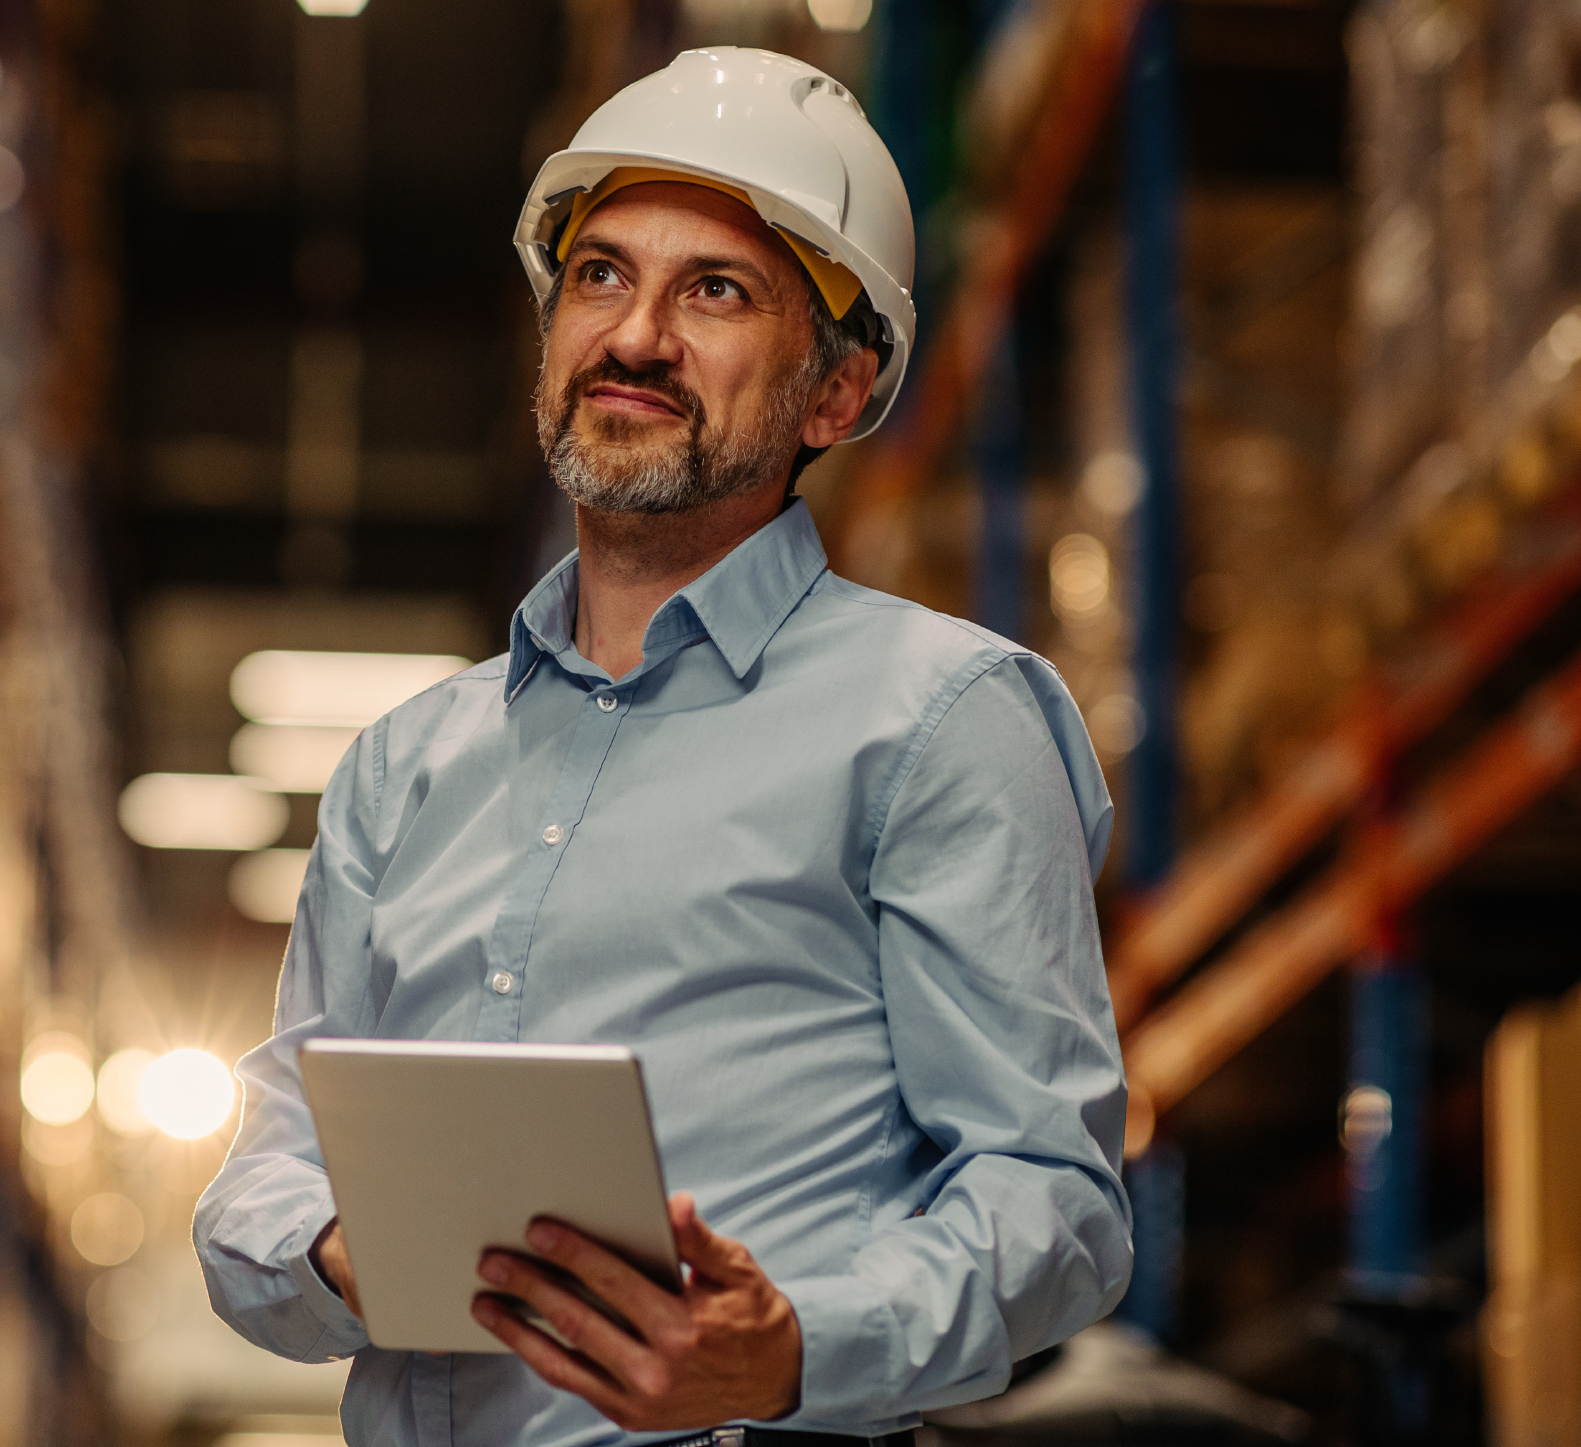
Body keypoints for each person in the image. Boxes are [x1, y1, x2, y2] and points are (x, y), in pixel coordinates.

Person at [194, 47, 1131, 1447]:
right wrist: (342, 1247)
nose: (633, 335)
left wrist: (791, 1346)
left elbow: (1051, 1199)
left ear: (836, 391)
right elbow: (262, 1171)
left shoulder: (938, 717)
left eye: (716, 291)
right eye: (599, 275)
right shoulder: (404, 766)